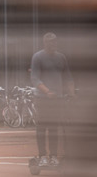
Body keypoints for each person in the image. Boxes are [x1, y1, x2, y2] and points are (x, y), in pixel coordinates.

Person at [30, 33, 72, 169]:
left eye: (54, 42)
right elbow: (35, 78)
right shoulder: (38, 57)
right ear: (44, 43)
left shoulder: (61, 58)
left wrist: (71, 93)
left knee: (54, 128)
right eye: (49, 43)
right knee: (42, 127)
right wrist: (47, 91)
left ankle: (53, 156)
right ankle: (42, 156)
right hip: (42, 98)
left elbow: (68, 77)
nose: (52, 45)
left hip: (57, 99)